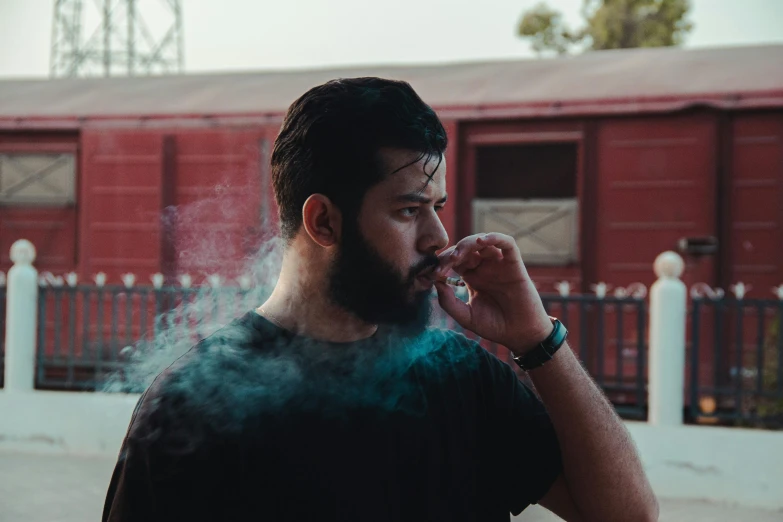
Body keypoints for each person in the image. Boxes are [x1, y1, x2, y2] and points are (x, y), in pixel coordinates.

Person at [103, 78, 658, 522]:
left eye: (437, 206)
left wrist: (537, 339)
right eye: (408, 210)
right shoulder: (193, 408)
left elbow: (629, 517)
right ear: (323, 220)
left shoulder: (460, 376)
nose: (439, 237)